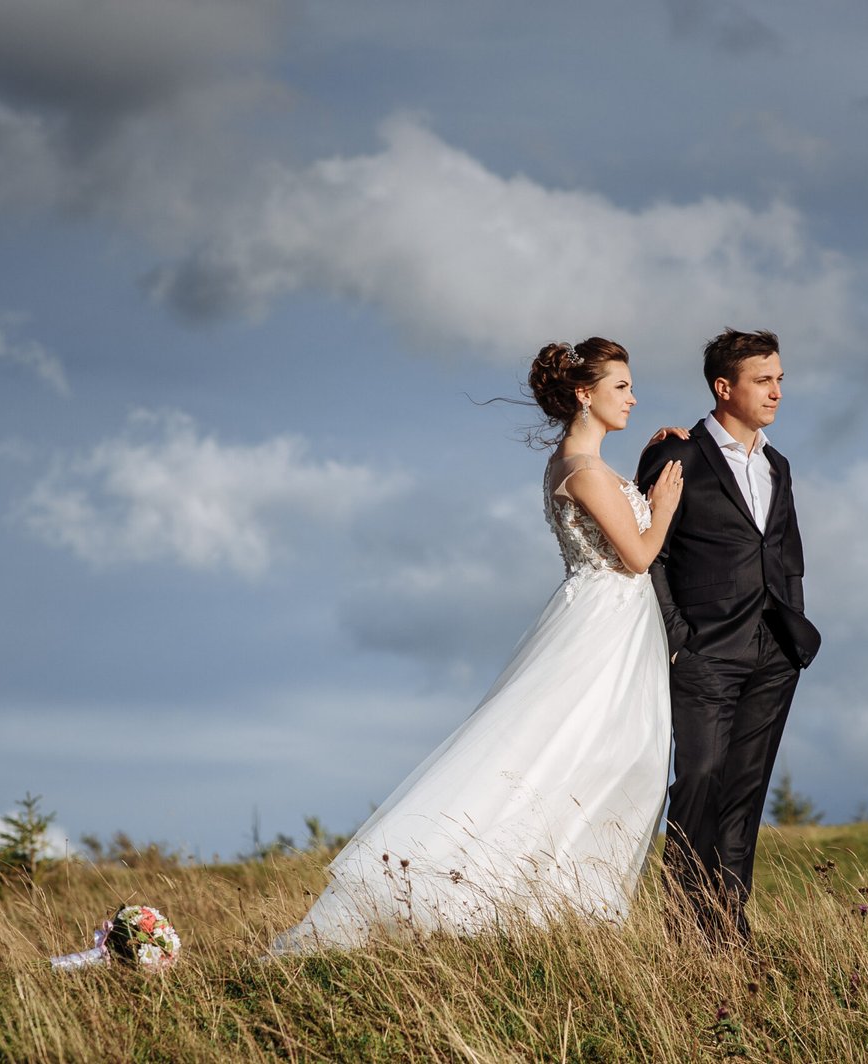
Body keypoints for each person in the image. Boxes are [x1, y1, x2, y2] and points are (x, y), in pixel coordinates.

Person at [271, 337, 684, 953]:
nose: (632, 396)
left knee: (608, 761)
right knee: (572, 762)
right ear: (584, 393)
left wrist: (654, 458)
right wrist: (663, 504)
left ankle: (565, 914)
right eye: (621, 386)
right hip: (601, 630)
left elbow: (617, 511)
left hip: (615, 627)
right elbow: (640, 553)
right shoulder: (583, 470)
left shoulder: (582, 464)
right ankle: (520, 905)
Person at [636, 328, 821, 944]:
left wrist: (793, 633)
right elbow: (650, 553)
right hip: (704, 652)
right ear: (725, 387)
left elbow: (787, 555)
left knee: (744, 796)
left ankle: (728, 934)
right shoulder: (676, 456)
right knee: (700, 785)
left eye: (780, 380)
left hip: (773, 654)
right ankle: (685, 936)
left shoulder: (778, 465)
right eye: (763, 380)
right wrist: (676, 638)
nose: (776, 392)